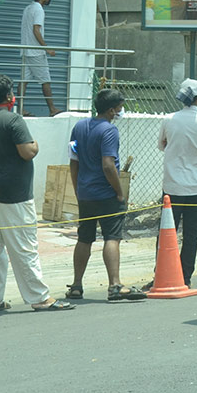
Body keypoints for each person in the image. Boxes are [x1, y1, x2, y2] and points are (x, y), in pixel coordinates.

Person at [0, 73, 71, 313]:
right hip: (14, 194)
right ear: (9, 95)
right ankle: (38, 297)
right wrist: (35, 143)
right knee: (24, 245)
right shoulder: (13, 120)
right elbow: (27, 152)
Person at [67, 87, 145, 301]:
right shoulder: (109, 131)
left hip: (85, 194)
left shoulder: (78, 128)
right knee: (112, 237)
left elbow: (73, 161)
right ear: (111, 110)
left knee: (84, 239)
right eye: (119, 108)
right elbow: (108, 165)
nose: (120, 111)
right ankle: (114, 285)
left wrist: (77, 188)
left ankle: (76, 285)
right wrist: (119, 192)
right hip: (106, 194)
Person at [156, 78, 197, 288]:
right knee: (192, 234)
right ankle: (185, 276)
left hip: (172, 187)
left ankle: (162, 274)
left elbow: (162, 145)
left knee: (166, 233)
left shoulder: (169, 119)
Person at [18, 0, 61, 116]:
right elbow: (36, 30)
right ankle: (52, 109)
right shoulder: (38, 10)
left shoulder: (28, 8)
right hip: (36, 52)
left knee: (23, 81)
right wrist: (47, 48)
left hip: (26, 51)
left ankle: (20, 109)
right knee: (45, 80)